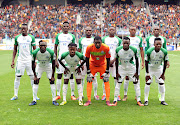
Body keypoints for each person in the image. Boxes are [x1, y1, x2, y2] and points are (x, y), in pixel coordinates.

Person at [113, 37, 144, 106]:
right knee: (118, 83)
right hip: (122, 68)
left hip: (131, 68)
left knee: (136, 83)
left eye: (127, 43)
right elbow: (116, 61)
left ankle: (139, 100)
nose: (126, 44)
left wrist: (136, 72)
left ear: (129, 43)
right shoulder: (118, 50)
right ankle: (115, 100)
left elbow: (136, 60)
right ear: (122, 43)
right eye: (124, 43)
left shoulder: (134, 49)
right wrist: (117, 72)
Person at [10, 23, 37, 100]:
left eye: (24, 29)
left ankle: (35, 95)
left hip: (29, 60)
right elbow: (15, 49)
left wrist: (36, 60)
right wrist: (13, 60)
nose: (23, 30)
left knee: (32, 77)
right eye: (22, 29)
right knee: (17, 77)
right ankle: (15, 95)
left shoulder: (31, 38)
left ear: (27, 29)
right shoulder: (17, 38)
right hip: (20, 60)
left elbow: (35, 50)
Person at [84, 36, 112, 106]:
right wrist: (88, 71)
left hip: (102, 65)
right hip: (93, 64)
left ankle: (107, 100)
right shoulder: (89, 47)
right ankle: (88, 100)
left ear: (101, 42)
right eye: (96, 43)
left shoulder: (106, 48)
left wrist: (107, 71)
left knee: (106, 80)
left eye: (99, 43)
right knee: (89, 80)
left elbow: (108, 59)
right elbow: (87, 59)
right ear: (93, 42)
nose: (97, 45)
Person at [29, 40, 59, 106]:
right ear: (39, 46)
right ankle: (34, 100)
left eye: (44, 45)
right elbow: (32, 64)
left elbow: (54, 64)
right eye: (41, 45)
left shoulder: (50, 52)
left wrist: (53, 76)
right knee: (36, 81)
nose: (43, 47)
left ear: (46, 46)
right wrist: (34, 75)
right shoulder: (35, 52)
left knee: (51, 81)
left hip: (48, 66)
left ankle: (54, 100)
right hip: (40, 66)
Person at [54, 21, 76, 100]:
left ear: (69, 27)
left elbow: (74, 48)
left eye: (67, 26)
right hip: (60, 59)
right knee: (59, 75)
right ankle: (58, 94)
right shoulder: (58, 36)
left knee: (71, 76)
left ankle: (72, 94)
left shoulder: (72, 36)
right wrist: (55, 59)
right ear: (62, 27)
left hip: (70, 59)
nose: (66, 27)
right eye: (64, 26)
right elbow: (55, 47)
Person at [144, 38, 168, 106]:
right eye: (157, 44)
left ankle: (162, 100)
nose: (158, 45)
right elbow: (146, 62)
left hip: (158, 68)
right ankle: (146, 100)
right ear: (154, 44)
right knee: (148, 83)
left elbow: (165, 63)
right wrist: (147, 73)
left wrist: (163, 74)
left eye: (160, 44)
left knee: (162, 83)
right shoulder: (149, 51)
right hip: (150, 68)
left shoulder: (164, 52)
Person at [123, 26, 144, 101]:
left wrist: (142, 61)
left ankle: (137, 95)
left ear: (136, 30)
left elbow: (141, 50)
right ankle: (125, 95)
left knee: (136, 77)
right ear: (129, 30)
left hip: (136, 60)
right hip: (127, 60)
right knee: (127, 77)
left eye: (134, 30)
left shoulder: (139, 39)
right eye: (131, 29)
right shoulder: (126, 39)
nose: (133, 31)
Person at [78, 26, 99, 100]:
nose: (88, 31)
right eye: (87, 30)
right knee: (82, 78)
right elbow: (79, 51)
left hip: (92, 61)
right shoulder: (81, 40)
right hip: (83, 61)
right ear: (85, 31)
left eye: (90, 30)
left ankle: (95, 94)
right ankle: (81, 94)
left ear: (92, 31)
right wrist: (80, 62)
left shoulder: (94, 40)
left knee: (94, 78)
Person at [102, 26, 122, 101]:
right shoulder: (104, 39)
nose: (111, 31)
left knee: (116, 78)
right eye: (110, 29)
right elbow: (102, 51)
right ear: (108, 31)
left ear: (115, 31)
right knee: (105, 77)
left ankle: (118, 95)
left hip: (115, 62)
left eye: (113, 29)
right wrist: (107, 60)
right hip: (105, 62)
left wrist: (114, 60)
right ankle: (104, 94)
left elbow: (120, 51)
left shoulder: (118, 40)